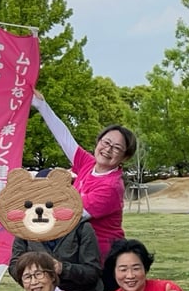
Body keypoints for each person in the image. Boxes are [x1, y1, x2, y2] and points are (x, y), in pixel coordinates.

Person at [30, 90, 137, 260]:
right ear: (98, 142)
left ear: (125, 157)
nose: (108, 149)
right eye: (106, 142)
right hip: (77, 250)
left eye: (117, 148)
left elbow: (71, 215)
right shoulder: (88, 164)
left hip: (100, 258)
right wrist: (42, 105)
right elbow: (65, 138)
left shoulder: (111, 187)